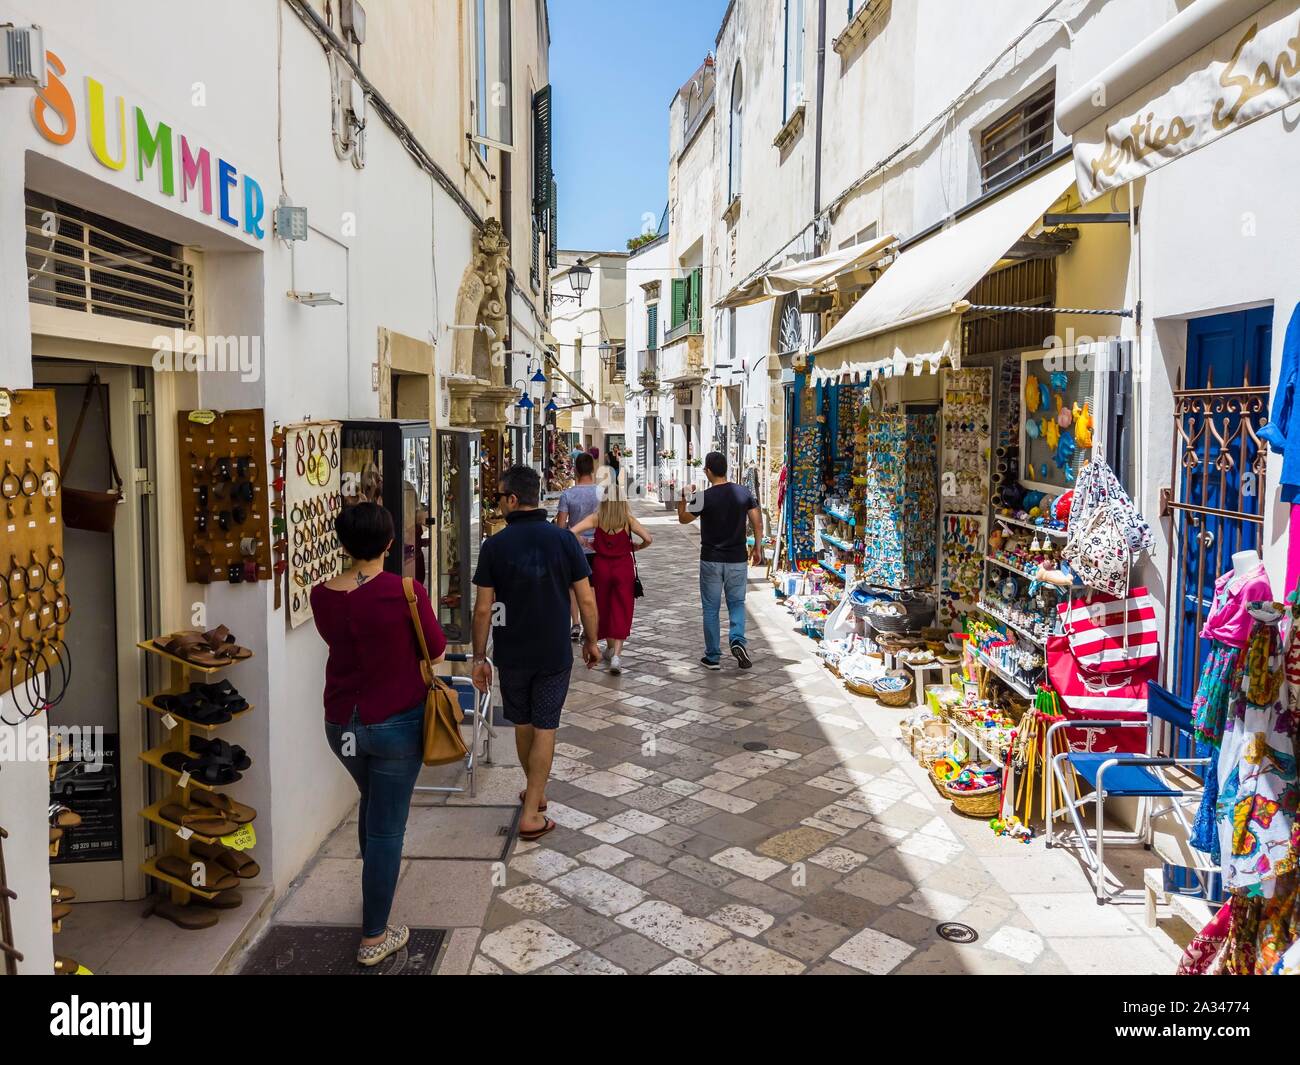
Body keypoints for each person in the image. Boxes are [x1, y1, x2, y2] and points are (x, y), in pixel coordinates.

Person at [311, 502, 446, 967]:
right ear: (390, 543)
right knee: (388, 828)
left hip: (341, 723)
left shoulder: (322, 594)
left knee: (372, 803)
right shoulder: (403, 590)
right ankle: (374, 936)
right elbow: (437, 646)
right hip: (394, 721)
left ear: (343, 544)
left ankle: (375, 894)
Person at [471, 465, 600, 842]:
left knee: (524, 724)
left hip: (512, 651)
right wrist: (592, 641)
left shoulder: (494, 546)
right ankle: (533, 809)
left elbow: (482, 609)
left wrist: (479, 657)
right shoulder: (563, 541)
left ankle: (534, 792)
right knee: (546, 725)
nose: (499, 502)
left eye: (499, 496)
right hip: (553, 651)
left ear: (513, 500)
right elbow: (586, 597)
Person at [677, 451, 764, 670]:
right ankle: (737, 640)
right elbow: (757, 522)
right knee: (736, 603)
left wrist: (683, 497)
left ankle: (713, 656)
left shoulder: (703, 497)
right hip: (737, 559)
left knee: (711, 608)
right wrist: (757, 547)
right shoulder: (743, 493)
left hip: (711, 559)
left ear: (707, 471)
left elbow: (683, 519)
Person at [570, 484, 653, 675]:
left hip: (602, 567)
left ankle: (607, 647)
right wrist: (637, 547)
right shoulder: (628, 519)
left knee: (604, 607)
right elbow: (648, 538)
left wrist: (586, 542)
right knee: (622, 608)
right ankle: (616, 655)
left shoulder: (597, 518)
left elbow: (572, 531)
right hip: (623, 567)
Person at [556, 452, 601, 640]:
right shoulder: (602, 493)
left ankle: (575, 623)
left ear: (575, 470)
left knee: (573, 587)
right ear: (592, 469)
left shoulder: (567, 495)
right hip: (597, 547)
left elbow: (561, 526)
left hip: (574, 547)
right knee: (592, 587)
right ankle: (594, 623)